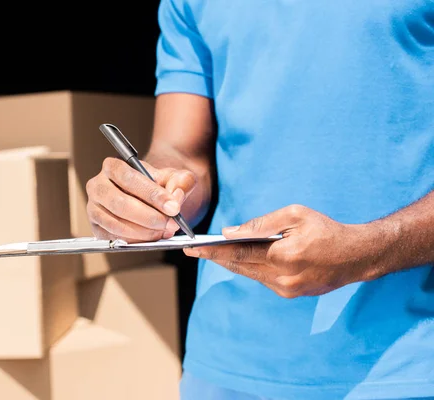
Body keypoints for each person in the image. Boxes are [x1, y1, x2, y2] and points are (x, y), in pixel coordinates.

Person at [86, 0, 434, 398]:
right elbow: (181, 152)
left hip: (405, 367)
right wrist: (149, 191)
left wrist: (371, 249)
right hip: (222, 365)